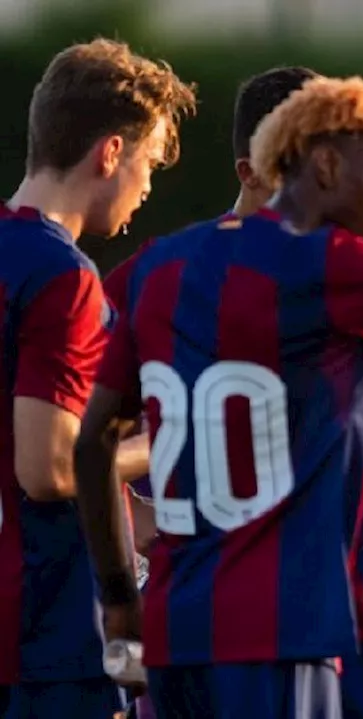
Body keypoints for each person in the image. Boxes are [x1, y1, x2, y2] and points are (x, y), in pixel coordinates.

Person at [72, 75, 363, 719]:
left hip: (180, 617)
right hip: (287, 618)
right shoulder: (334, 266)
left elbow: (90, 442)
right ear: (323, 164)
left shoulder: (163, 264)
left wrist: (120, 594)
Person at [0, 39, 195, 719]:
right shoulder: (63, 275)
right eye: (147, 162)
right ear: (110, 154)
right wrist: (173, 435)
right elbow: (48, 468)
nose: (147, 187)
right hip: (42, 639)